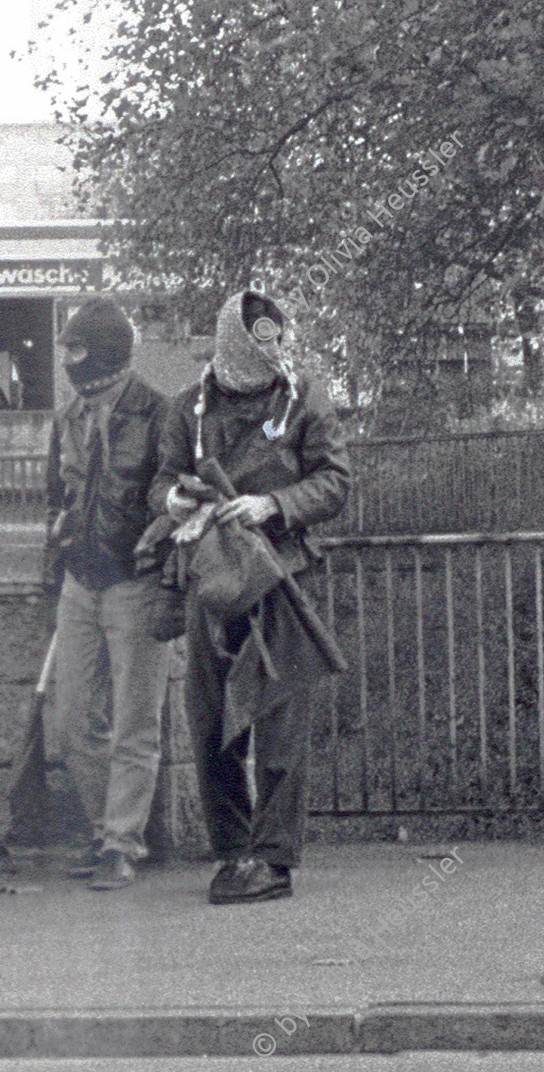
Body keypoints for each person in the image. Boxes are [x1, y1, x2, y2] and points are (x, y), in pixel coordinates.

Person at [152, 290, 350, 905]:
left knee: (282, 724)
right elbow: (161, 480)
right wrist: (176, 501)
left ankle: (272, 861)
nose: (272, 352)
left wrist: (273, 505)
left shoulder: (303, 399)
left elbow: (335, 481)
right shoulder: (188, 408)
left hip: (281, 579)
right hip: (212, 581)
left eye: (276, 340)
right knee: (210, 723)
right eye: (258, 341)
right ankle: (233, 851)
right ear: (232, 342)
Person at [42, 298, 173, 891]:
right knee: (69, 721)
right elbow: (57, 495)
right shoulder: (67, 418)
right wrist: (60, 527)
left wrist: (159, 528)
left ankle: (122, 843)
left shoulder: (160, 414)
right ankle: (106, 834)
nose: (66, 357)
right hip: (81, 581)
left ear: (104, 350)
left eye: (74, 347)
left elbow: (175, 493)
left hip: (135, 584)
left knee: (135, 723)